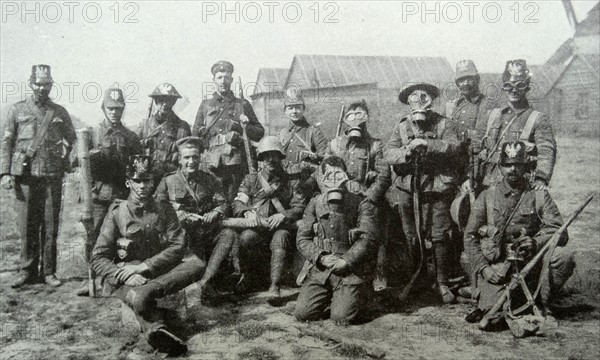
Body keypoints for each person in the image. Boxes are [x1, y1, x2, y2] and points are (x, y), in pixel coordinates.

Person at [91, 155, 205, 356]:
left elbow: (178, 246)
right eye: (137, 181)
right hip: (128, 276)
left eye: (147, 181)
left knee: (196, 265)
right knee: (136, 297)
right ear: (128, 183)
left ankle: (147, 294)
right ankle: (156, 330)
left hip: (159, 270)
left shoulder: (163, 207)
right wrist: (124, 273)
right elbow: (98, 257)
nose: (142, 186)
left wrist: (145, 266)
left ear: (153, 182)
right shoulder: (118, 213)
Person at [462, 141, 574, 333]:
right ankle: (501, 298)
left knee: (563, 257)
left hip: (532, 263)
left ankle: (543, 303)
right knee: (493, 315)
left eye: (517, 164)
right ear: (500, 167)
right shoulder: (488, 196)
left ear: (526, 167)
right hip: (499, 265)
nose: (512, 169)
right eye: (507, 165)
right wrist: (483, 268)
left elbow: (560, 231)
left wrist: (535, 242)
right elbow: (470, 236)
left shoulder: (538, 196)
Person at [384, 83, 461, 303]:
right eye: (414, 97)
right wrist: (406, 153)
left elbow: (455, 148)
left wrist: (427, 144)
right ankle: (417, 279)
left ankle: (442, 282)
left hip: (436, 188)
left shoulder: (444, 123)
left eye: (424, 96)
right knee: (411, 234)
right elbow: (388, 153)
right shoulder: (401, 126)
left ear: (431, 100)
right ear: (408, 101)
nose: (419, 100)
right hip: (408, 188)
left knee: (439, 235)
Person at [1, 65, 76, 288]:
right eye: (38, 84)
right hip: (25, 178)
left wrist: (68, 162)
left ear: (51, 85)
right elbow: (6, 143)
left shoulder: (59, 112)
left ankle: (49, 272)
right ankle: (27, 270)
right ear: (30, 83)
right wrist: (5, 172)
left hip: (52, 177)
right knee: (27, 225)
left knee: (51, 226)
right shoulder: (16, 110)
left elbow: (74, 140)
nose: (42, 88)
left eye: (46, 84)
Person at [294, 156, 378, 325]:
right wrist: (321, 256)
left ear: (346, 175)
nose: (333, 179)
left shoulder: (361, 202)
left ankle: (360, 297)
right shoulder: (315, 203)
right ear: (321, 179)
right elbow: (302, 238)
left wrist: (347, 260)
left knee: (341, 318)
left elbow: (368, 238)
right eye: (328, 174)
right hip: (321, 269)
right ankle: (334, 298)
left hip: (349, 270)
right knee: (303, 314)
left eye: (337, 173)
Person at [76, 87, 142, 296]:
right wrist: (89, 154)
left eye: (118, 108)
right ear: (103, 108)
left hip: (120, 196)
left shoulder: (130, 136)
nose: (114, 112)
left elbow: (137, 166)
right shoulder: (91, 133)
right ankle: (92, 280)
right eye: (110, 108)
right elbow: (73, 159)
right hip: (96, 196)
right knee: (94, 237)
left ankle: (113, 278)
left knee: (120, 238)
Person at [154, 136, 237, 301]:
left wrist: (215, 212)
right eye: (186, 157)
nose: (191, 161)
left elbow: (224, 203)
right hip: (179, 236)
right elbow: (156, 206)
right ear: (179, 159)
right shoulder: (168, 180)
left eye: (195, 157)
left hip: (203, 233)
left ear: (200, 158)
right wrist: (175, 214)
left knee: (229, 234)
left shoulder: (210, 179)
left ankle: (205, 282)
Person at [327, 100, 391, 290]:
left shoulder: (375, 145)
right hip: (342, 196)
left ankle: (379, 272)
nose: (356, 118)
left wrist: (370, 196)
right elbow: (326, 172)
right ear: (345, 120)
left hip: (366, 197)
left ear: (367, 118)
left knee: (375, 226)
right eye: (351, 115)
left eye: (360, 114)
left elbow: (384, 175)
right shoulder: (335, 144)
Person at [232, 136, 307, 297]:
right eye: (267, 155)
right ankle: (248, 277)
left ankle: (275, 285)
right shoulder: (251, 180)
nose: (271, 159)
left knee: (280, 238)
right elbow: (238, 203)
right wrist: (247, 212)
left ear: (280, 157)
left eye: (275, 155)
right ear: (261, 158)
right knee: (246, 238)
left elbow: (300, 205)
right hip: (258, 227)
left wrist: (284, 215)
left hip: (282, 227)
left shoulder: (291, 181)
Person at [473, 59, 557, 191]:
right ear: (503, 87)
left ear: (527, 88)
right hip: (489, 185)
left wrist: (541, 178)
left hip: (521, 187)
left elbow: (546, 150)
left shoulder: (538, 119)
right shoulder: (492, 115)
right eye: (509, 85)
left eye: (520, 86)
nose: (514, 90)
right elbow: (475, 148)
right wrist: (470, 177)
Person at [193, 60, 264, 200]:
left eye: (226, 77)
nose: (223, 81)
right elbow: (195, 136)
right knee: (211, 200)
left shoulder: (242, 104)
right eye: (219, 77)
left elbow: (259, 132)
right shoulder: (205, 105)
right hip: (211, 164)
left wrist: (244, 126)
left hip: (235, 165)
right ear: (214, 80)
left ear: (231, 79)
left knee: (234, 200)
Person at [278, 88, 328, 193]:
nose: (294, 111)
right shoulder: (282, 133)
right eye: (290, 108)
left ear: (303, 109)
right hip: (284, 183)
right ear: (285, 111)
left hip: (305, 184)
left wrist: (314, 157)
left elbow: (325, 156)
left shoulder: (313, 132)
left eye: (298, 108)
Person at [139, 83, 191, 185]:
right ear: (155, 101)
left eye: (169, 100)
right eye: (161, 100)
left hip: (172, 179)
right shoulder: (144, 125)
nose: (165, 104)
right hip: (147, 178)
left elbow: (188, 157)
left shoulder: (182, 127)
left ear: (174, 102)